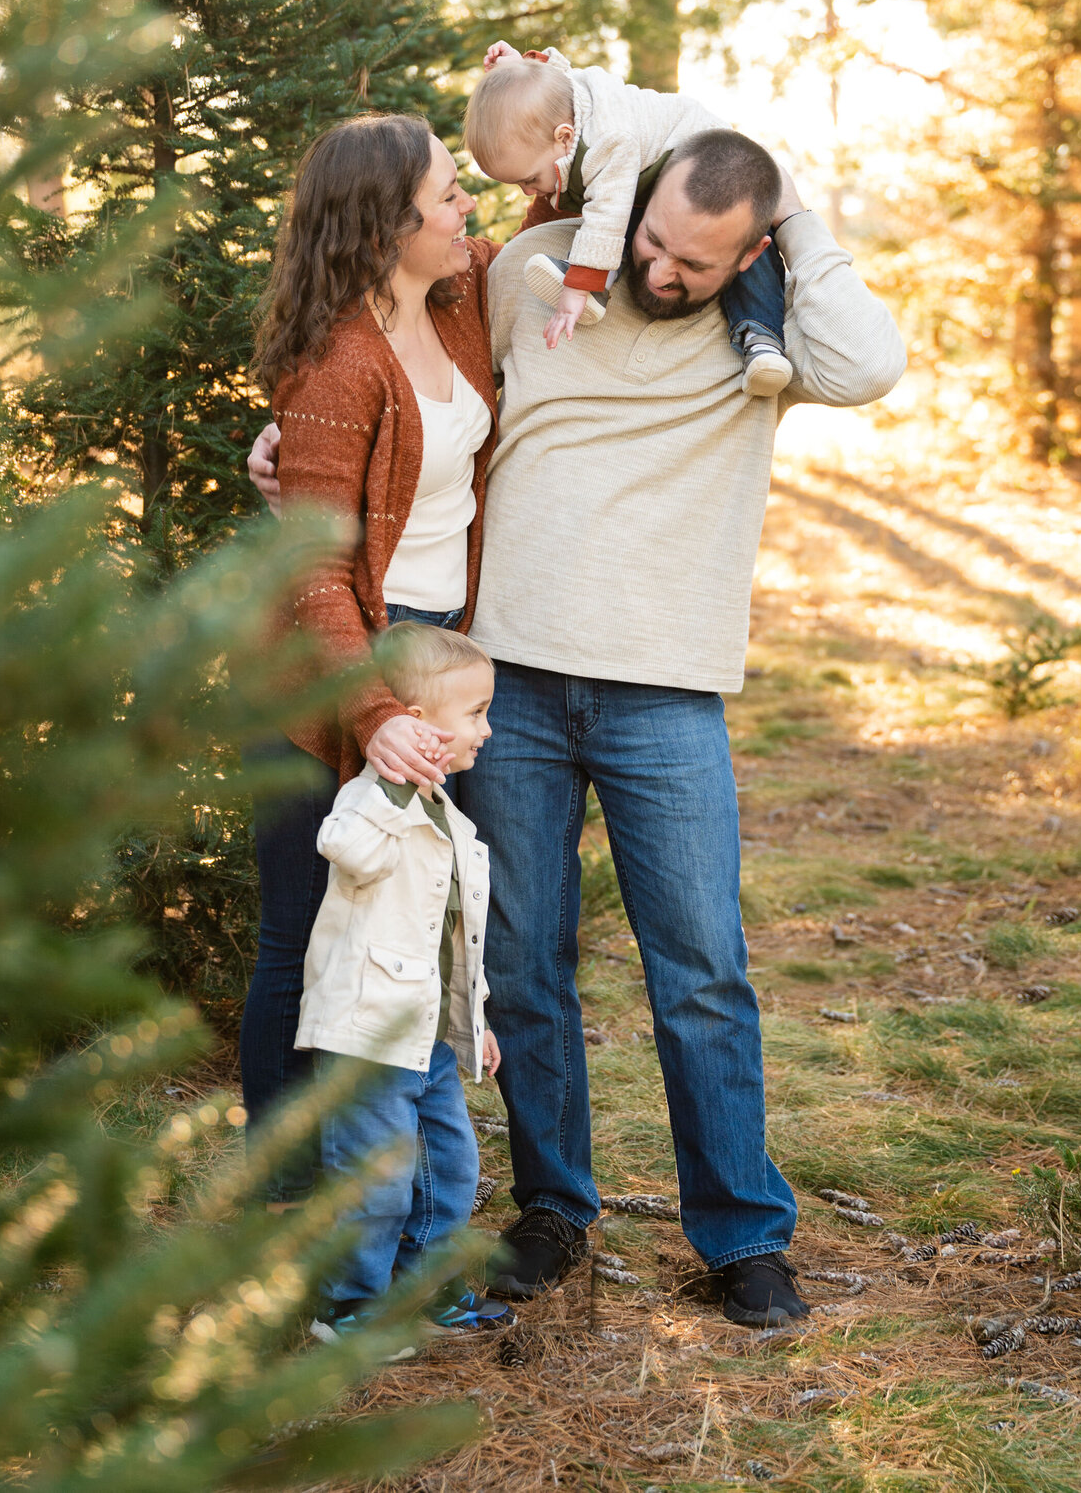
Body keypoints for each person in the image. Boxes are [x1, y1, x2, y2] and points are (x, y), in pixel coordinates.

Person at [249, 128, 907, 1328]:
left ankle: (744, 1234)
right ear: (630, 210)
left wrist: (795, 216)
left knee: (702, 968)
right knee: (522, 966)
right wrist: (298, 461)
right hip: (509, 683)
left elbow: (870, 363)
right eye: (652, 239)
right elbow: (379, 370)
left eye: (698, 260)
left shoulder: (765, 338)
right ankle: (553, 1208)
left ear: (749, 255)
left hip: (667, 689)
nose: (662, 271)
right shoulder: (529, 279)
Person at [241, 111, 505, 1207]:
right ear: (387, 226)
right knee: (305, 930)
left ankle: (384, 1172)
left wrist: (547, 103)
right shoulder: (337, 363)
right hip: (327, 679)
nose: (467, 207)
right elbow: (314, 575)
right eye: (448, 194)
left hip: (430, 663)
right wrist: (375, 715)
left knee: (400, 923)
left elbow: (562, 215)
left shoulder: (457, 294)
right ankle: (284, 1191)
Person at [299, 623, 515, 1345]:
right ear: (419, 724)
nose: (487, 728)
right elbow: (345, 848)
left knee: (450, 1168)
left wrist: (475, 1019)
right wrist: (392, 782)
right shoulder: (373, 797)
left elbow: (452, 939)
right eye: (475, 712)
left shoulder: (449, 816)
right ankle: (348, 1305)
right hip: (367, 1033)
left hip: (427, 1038)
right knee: (375, 1179)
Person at [464, 39, 792, 393]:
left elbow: (607, 217)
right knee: (641, 232)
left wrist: (577, 287)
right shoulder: (564, 108)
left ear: (564, 137)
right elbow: (551, 80)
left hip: (708, 171)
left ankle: (762, 337)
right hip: (649, 173)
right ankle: (599, 277)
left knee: (733, 247)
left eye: (529, 179)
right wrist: (516, 69)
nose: (528, 192)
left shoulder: (606, 145)